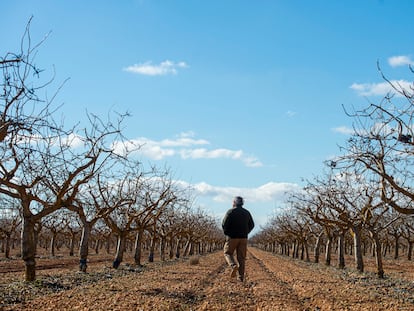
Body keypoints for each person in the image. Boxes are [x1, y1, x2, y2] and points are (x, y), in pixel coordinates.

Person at [222, 196, 254, 282]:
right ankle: (240, 278)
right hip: (243, 238)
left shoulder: (230, 212)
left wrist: (227, 234)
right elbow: (252, 225)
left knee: (227, 253)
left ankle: (233, 265)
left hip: (232, 237)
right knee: (241, 258)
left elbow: (224, 224)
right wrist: (246, 232)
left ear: (234, 203)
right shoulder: (247, 212)